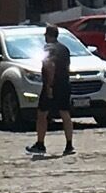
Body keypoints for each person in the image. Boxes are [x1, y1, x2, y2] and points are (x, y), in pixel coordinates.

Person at [28, 23, 74, 159]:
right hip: (65, 84)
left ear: (48, 36)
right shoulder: (65, 49)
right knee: (65, 113)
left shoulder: (48, 48)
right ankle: (69, 144)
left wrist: (49, 87)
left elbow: (50, 66)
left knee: (42, 114)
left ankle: (40, 143)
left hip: (52, 84)